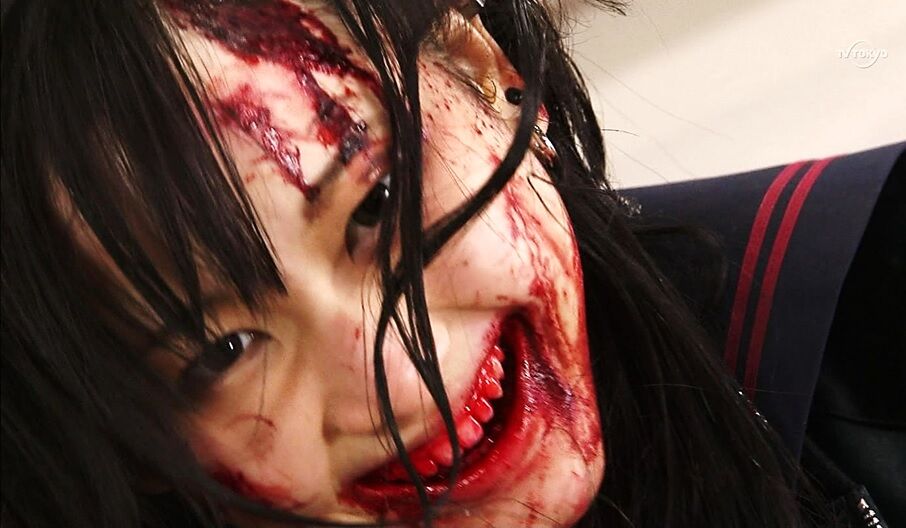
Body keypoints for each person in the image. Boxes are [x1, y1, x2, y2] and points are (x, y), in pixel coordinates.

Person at [1, 1, 899, 527]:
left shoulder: (868, 309)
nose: (398, 383)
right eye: (220, 351)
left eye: (379, 203)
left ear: (489, 75)